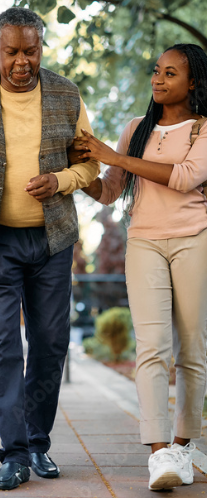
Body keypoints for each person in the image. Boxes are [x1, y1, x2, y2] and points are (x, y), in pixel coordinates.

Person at [0, 7, 100, 491]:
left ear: (41, 48)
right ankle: (13, 453)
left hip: (51, 241)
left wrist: (61, 180)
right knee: (1, 344)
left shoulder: (67, 94)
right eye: (13, 52)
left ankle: (37, 442)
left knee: (51, 343)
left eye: (31, 50)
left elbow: (89, 166)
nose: (23, 61)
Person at [71, 43, 207, 491]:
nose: (158, 79)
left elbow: (185, 177)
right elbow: (111, 192)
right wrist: (80, 173)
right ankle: (158, 453)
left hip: (195, 241)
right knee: (152, 347)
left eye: (171, 73)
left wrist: (113, 156)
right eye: (156, 71)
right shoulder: (136, 129)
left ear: (193, 83)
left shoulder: (203, 129)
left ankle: (184, 446)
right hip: (144, 242)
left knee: (191, 350)